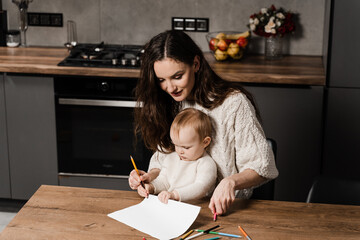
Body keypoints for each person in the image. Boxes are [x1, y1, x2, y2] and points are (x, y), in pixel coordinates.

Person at [129, 30, 279, 215]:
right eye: (161, 80)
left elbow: (262, 166)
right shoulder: (166, 102)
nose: (170, 88)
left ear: (196, 64)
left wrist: (230, 182)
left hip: (223, 212)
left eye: (177, 76)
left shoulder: (233, 103)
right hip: (174, 208)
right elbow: (164, 163)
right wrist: (147, 178)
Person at [139, 108, 217, 204]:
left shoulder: (206, 163)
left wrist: (175, 195)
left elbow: (201, 186)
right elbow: (164, 181)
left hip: (199, 208)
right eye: (176, 145)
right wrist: (150, 187)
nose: (180, 151)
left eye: (186, 147)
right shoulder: (171, 159)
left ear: (205, 142)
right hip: (172, 206)